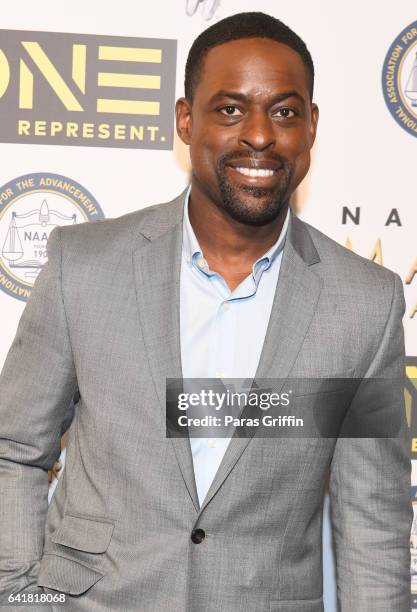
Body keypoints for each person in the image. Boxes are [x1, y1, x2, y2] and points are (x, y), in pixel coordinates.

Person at [0, 11, 412, 612]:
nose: (260, 135)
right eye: (229, 109)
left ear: (312, 127)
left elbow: (372, 515)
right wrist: (21, 595)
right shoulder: (82, 266)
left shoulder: (367, 304)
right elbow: (13, 449)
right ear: (186, 120)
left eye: (284, 111)